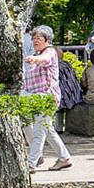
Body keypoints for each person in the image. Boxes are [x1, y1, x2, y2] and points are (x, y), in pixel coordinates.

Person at [23, 25, 72, 171]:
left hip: (47, 99)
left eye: (39, 38)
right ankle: (64, 157)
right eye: (33, 38)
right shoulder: (37, 54)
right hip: (35, 99)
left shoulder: (49, 52)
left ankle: (31, 163)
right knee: (47, 129)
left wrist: (35, 59)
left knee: (39, 130)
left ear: (48, 40)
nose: (35, 41)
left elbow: (45, 60)